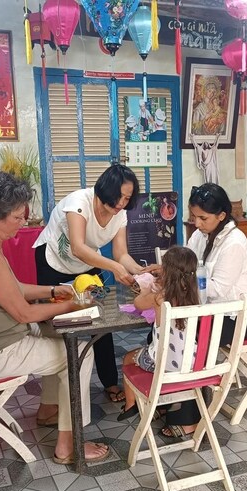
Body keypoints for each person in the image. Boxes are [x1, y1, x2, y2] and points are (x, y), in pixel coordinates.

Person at [0, 172, 108, 464]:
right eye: (17, 217)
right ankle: (69, 446)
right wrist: (71, 306)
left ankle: (48, 410)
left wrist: (57, 290)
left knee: (53, 334)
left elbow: (12, 289)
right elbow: (23, 312)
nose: (22, 222)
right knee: (79, 353)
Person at [33, 163, 146, 403]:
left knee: (99, 318)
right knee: (58, 322)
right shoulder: (79, 202)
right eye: (118, 197)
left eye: (127, 198)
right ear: (104, 190)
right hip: (53, 261)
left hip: (88, 262)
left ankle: (109, 382)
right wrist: (114, 267)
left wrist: (137, 270)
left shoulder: (120, 214)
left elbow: (121, 254)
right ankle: (56, 396)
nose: (121, 203)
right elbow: (78, 247)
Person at [159, 183, 247, 439]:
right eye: (194, 217)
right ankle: (169, 396)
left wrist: (178, 282)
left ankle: (189, 418)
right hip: (206, 312)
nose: (197, 223)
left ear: (222, 215)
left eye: (203, 218)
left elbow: (219, 289)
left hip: (233, 317)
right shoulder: (200, 235)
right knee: (163, 333)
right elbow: (187, 264)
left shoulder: (234, 242)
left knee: (187, 342)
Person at [117, 246, 199, 421]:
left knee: (127, 358)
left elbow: (138, 303)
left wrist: (148, 288)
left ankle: (132, 405)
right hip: (194, 361)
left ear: (166, 271)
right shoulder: (195, 295)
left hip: (164, 364)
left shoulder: (161, 296)